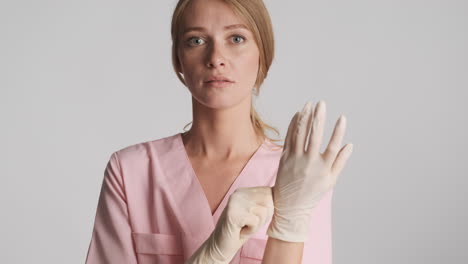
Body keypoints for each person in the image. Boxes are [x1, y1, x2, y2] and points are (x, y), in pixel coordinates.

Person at [84, 0, 353, 263]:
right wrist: (212, 254)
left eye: (236, 39)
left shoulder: (300, 176)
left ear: (263, 54)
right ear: (178, 60)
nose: (215, 59)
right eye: (196, 40)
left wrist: (289, 222)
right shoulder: (131, 172)